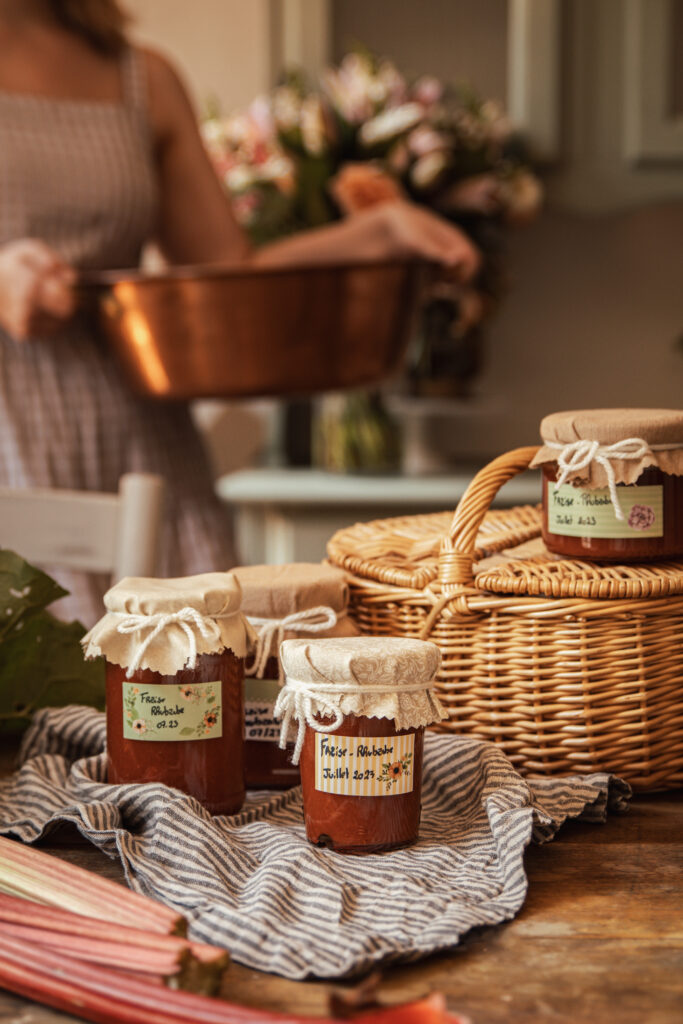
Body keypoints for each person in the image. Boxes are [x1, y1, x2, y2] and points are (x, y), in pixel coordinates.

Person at [0, 0, 480, 625]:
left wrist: (377, 234)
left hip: (134, 442)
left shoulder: (141, 76)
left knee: (177, 691)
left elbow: (227, 274)